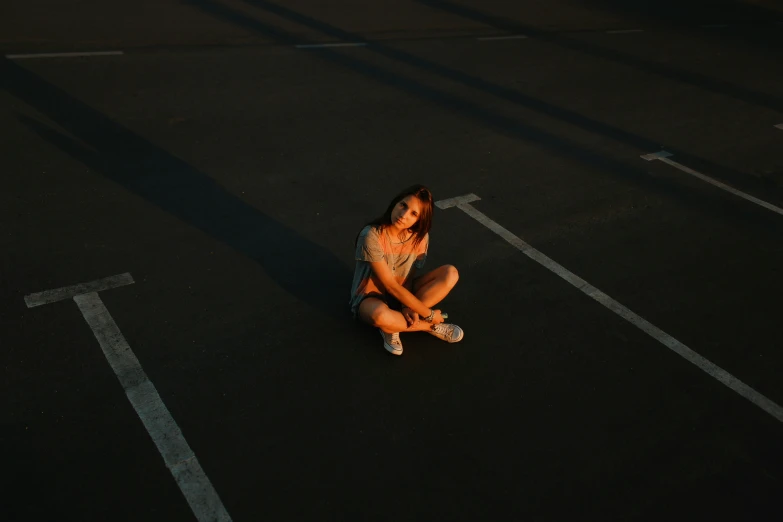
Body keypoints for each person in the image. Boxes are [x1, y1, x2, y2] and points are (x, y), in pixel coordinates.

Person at [349, 184, 464, 355]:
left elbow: (408, 275)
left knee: (450, 273)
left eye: (414, 213)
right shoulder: (371, 235)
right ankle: (425, 327)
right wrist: (430, 316)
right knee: (381, 316)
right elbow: (389, 285)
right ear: (395, 204)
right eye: (403, 205)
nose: (403, 215)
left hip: (402, 291)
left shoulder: (420, 237)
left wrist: (406, 306)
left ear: (420, 219)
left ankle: (395, 324)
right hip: (370, 297)